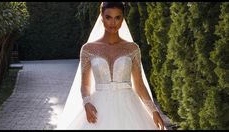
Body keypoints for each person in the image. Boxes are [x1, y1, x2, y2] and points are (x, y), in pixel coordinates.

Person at [56, 2, 165, 130]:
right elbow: (85, 85)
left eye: (117, 17)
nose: (113, 23)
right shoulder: (88, 49)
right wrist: (87, 103)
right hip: (99, 107)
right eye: (108, 17)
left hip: (129, 108)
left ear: (122, 19)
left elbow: (139, 85)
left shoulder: (132, 48)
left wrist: (153, 110)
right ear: (101, 16)